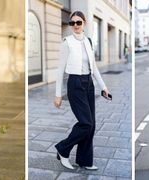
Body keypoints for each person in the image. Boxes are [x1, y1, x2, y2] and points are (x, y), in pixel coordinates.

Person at [54, 11, 110, 170]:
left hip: (89, 83)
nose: (75, 26)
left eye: (78, 22)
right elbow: (59, 71)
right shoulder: (67, 42)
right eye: (72, 23)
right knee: (86, 123)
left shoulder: (89, 41)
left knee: (92, 125)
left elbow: (94, 68)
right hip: (75, 83)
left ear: (84, 23)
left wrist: (103, 87)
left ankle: (84, 160)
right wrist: (58, 94)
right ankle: (63, 149)